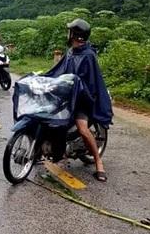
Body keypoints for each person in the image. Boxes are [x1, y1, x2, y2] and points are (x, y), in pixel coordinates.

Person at [43, 18, 113, 182]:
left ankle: (98, 162)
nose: (68, 34)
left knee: (82, 128)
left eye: (70, 31)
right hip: (67, 98)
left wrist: (77, 91)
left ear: (76, 35)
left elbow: (91, 83)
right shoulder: (70, 52)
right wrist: (43, 78)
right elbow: (58, 71)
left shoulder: (88, 56)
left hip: (82, 100)